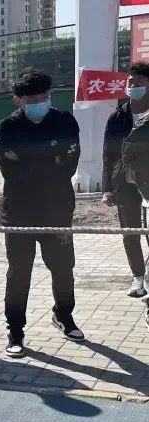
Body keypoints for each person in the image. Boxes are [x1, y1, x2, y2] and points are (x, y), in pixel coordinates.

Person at [0, 68, 85, 358]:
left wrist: (28, 159)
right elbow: (11, 172)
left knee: (63, 268)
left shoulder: (64, 122)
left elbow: (69, 165)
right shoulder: (7, 128)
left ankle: (63, 315)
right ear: (18, 100)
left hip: (57, 210)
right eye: (32, 99)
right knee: (19, 272)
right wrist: (51, 159)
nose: (39, 103)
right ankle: (15, 330)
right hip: (18, 212)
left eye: (44, 97)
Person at [102, 62, 149, 298]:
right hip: (124, 183)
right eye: (131, 81)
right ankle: (138, 277)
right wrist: (107, 189)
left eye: (139, 81)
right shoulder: (117, 116)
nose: (134, 85)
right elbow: (108, 155)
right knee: (130, 232)